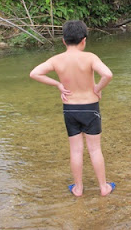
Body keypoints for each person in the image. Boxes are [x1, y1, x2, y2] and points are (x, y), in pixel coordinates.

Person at [29, 20, 115, 197]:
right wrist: (97, 89)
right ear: (84, 40)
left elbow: (34, 73)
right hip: (90, 108)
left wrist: (58, 85)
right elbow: (107, 74)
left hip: (70, 109)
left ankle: (78, 188)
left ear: (63, 41)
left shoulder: (56, 60)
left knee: (75, 150)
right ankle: (103, 187)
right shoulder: (90, 57)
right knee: (95, 149)